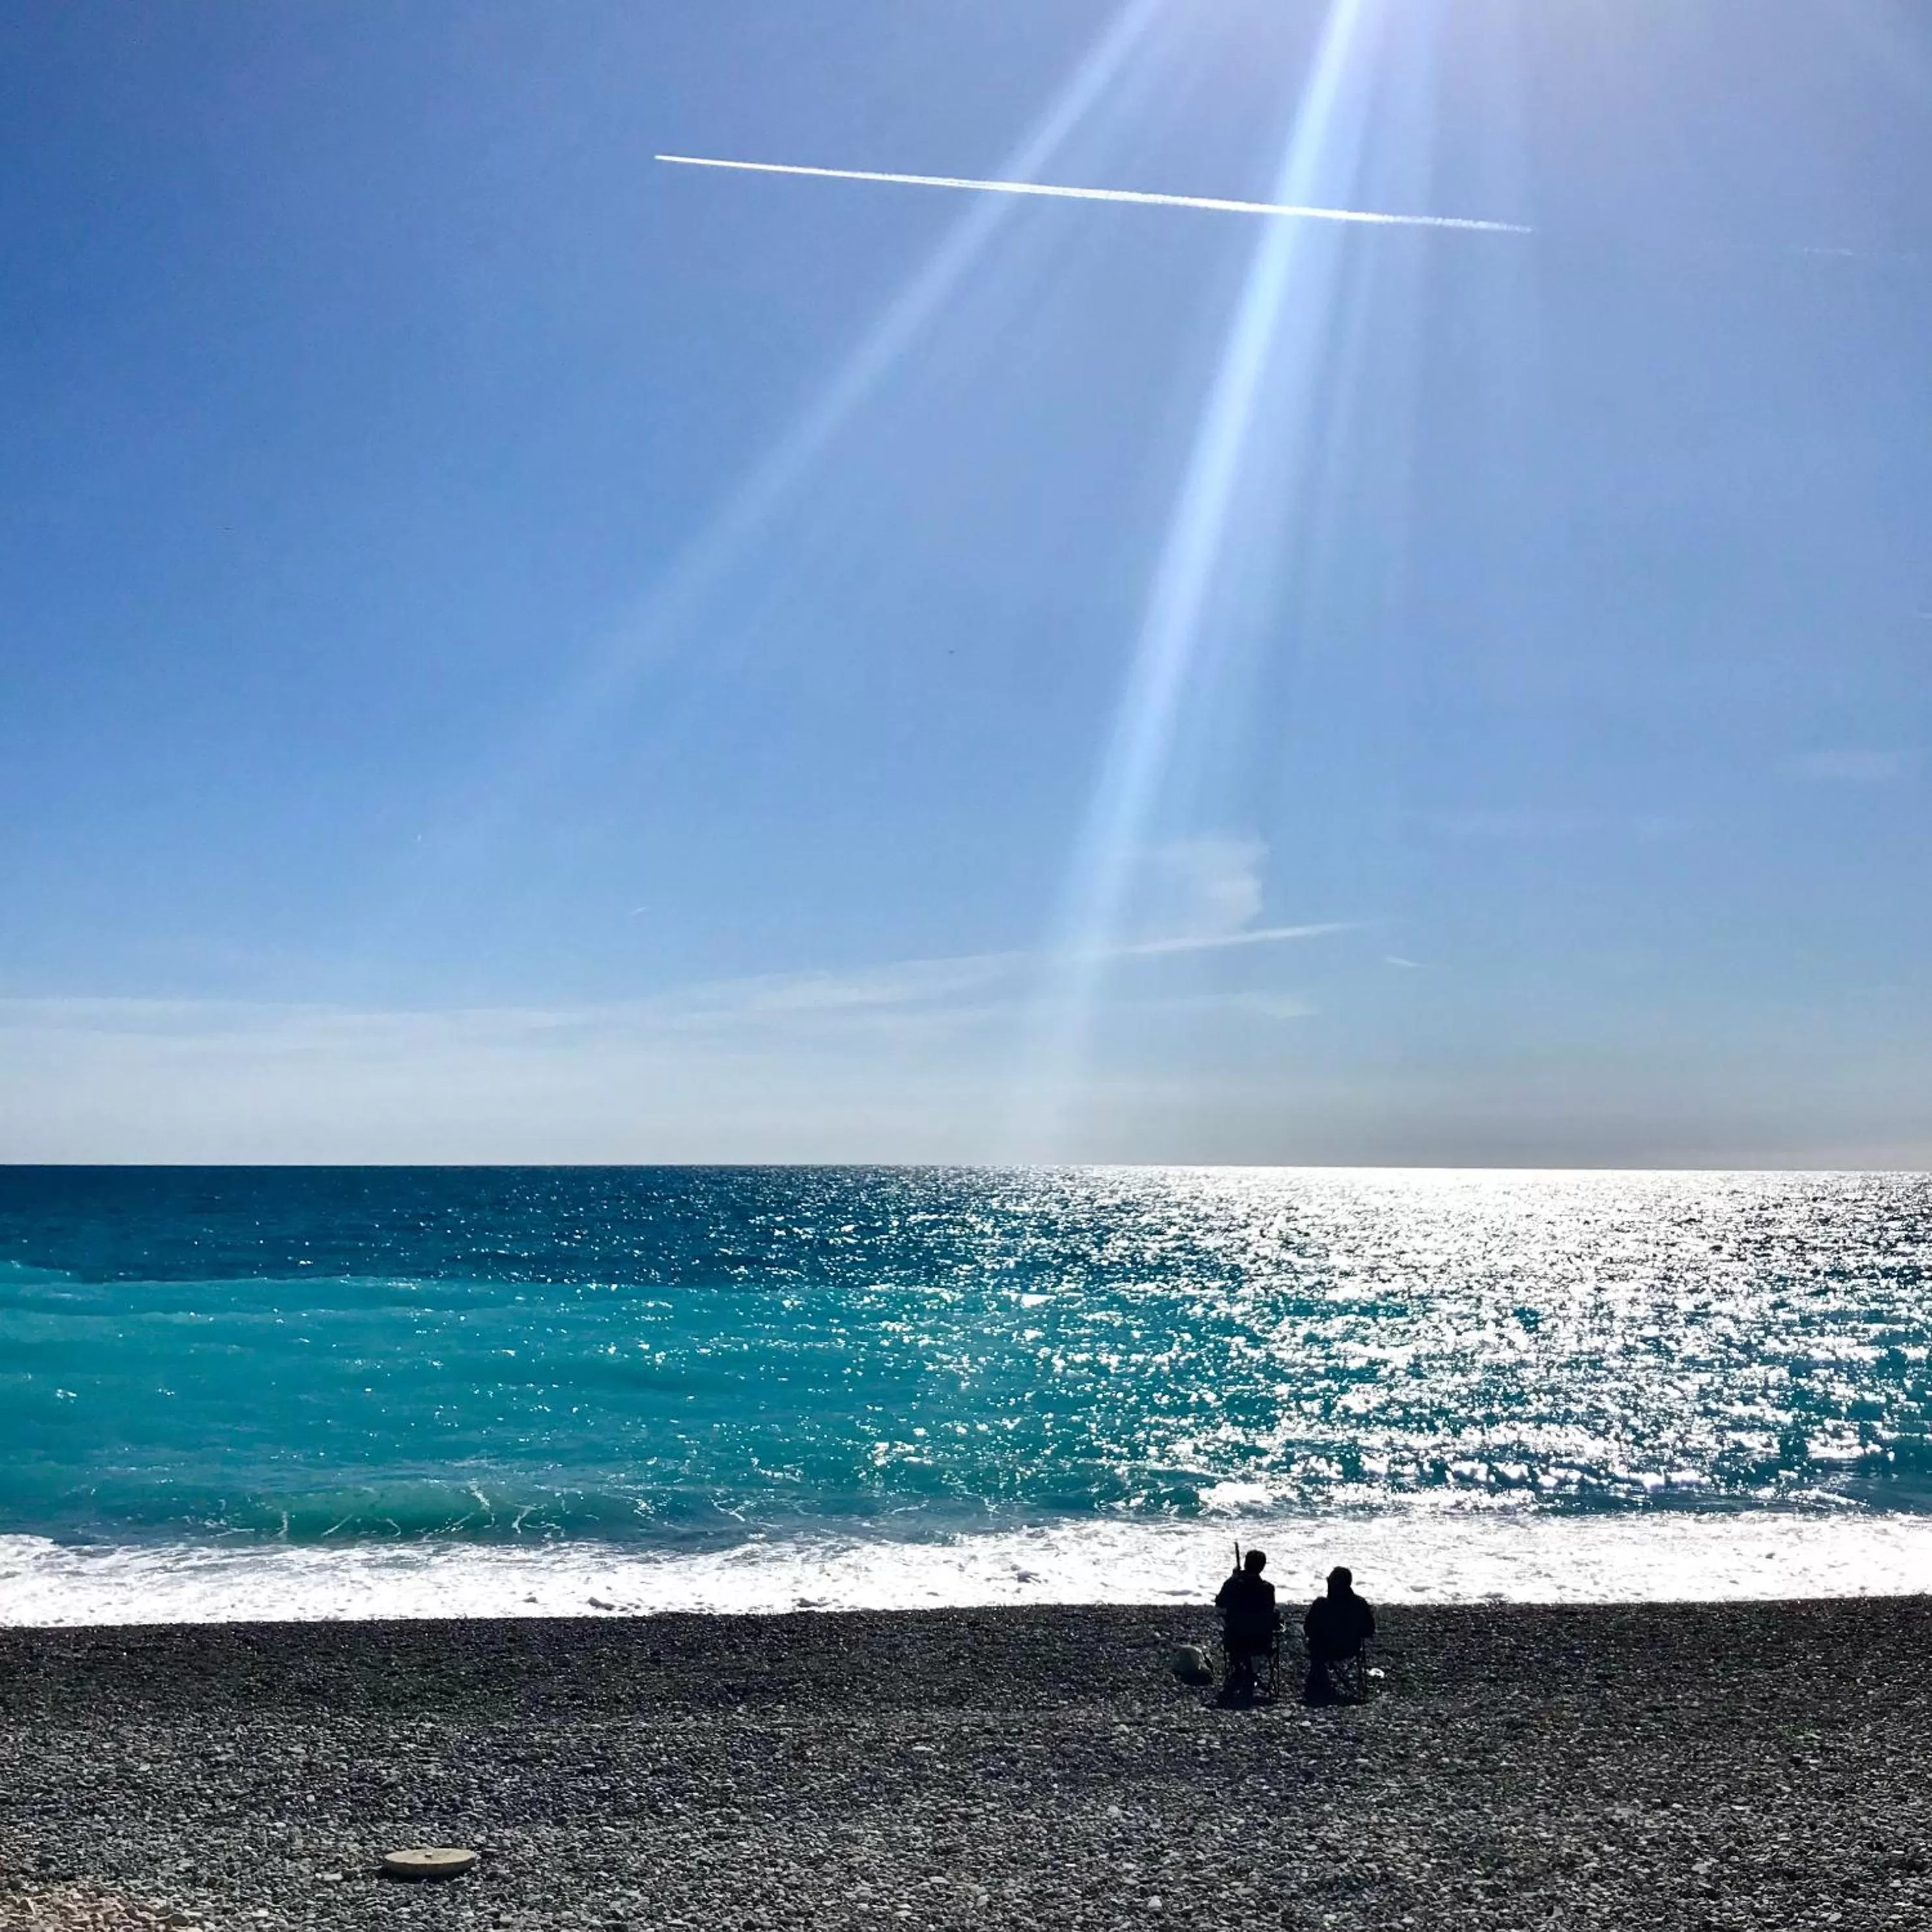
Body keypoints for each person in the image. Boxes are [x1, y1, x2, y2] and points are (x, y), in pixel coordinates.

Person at [1303, 1565, 1374, 1705]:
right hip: (1351, 1648)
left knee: (1312, 1642)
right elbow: (1369, 1630)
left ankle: (1318, 1684)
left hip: (1324, 1650)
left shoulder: (1321, 1605)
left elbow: (1309, 1629)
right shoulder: (1359, 1604)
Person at [1214, 1548, 1278, 1702]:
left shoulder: (1234, 1584)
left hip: (1236, 1640)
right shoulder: (1268, 1588)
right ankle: (1249, 1673)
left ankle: (1240, 1672)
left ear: (1245, 1564)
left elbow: (1220, 1602)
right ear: (1262, 1567)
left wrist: (1233, 1578)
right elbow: (1270, 1610)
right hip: (1262, 1641)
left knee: (1232, 1626)